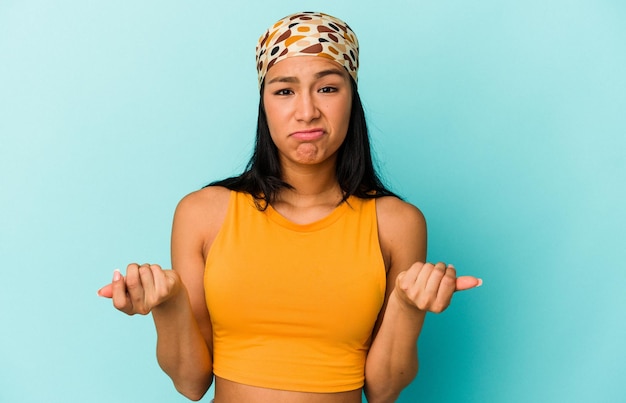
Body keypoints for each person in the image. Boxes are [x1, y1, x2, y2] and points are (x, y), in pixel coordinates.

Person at [98, 11, 482, 403]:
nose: (307, 111)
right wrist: (168, 305)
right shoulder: (203, 213)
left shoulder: (397, 223)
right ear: (264, 104)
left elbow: (383, 390)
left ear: (352, 98)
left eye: (327, 89)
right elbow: (191, 383)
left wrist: (407, 307)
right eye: (284, 91)